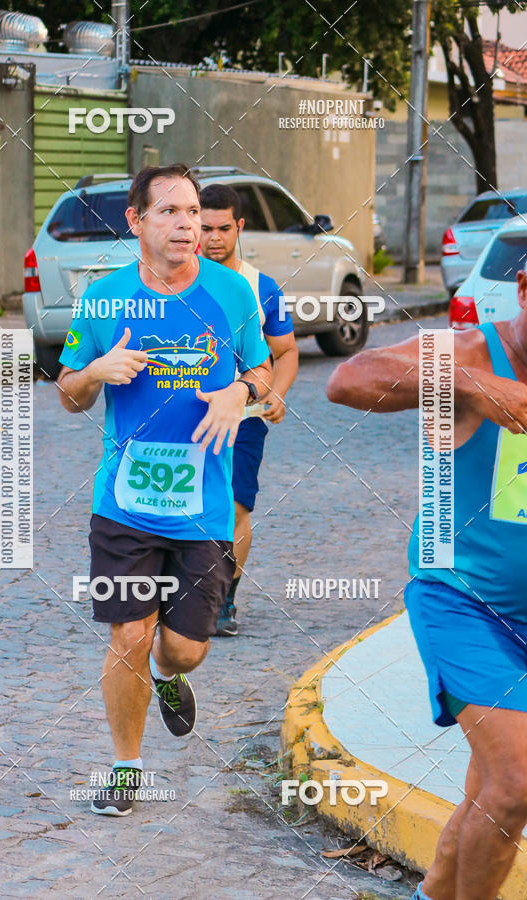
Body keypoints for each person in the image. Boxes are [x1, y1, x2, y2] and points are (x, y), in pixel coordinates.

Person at [57, 164, 271, 816]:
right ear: (137, 221)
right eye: (170, 212)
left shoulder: (233, 294)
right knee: (128, 633)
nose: (185, 224)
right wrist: (95, 369)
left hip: (202, 505)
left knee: (184, 647)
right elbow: (68, 393)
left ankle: (168, 673)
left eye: (192, 211)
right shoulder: (103, 298)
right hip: (124, 500)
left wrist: (241, 392)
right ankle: (126, 770)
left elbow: (263, 368)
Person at [326, 271, 527, 900]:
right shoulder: (472, 353)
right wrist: (469, 383)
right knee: (516, 782)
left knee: (489, 793)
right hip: (465, 600)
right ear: (524, 289)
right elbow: (347, 379)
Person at [199, 183, 298, 636]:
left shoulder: (261, 287)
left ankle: (224, 599)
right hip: (186, 415)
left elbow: (287, 351)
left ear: (239, 226)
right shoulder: (177, 278)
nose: (213, 238)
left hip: (246, 416)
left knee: (235, 506)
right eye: (204, 228)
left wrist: (276, 393)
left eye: (223, 228)